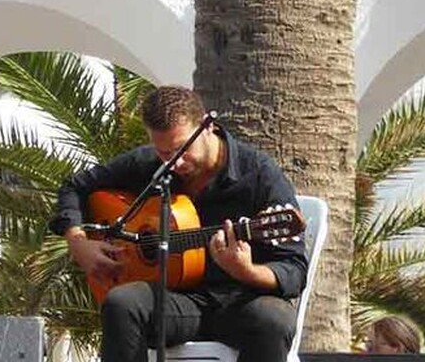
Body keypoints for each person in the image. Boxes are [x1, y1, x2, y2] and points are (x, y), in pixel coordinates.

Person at [51, 85, 308, 362]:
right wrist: (79, 244)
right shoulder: (152, 166)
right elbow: (74, 186)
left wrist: (246, 270)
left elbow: (293, 270)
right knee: (122, 302)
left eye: (181, 149)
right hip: (178, 302)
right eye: (164, 153)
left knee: (274, 318)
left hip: (241, 303)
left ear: (207, 128)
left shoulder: (259, 175)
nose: (174, 163)